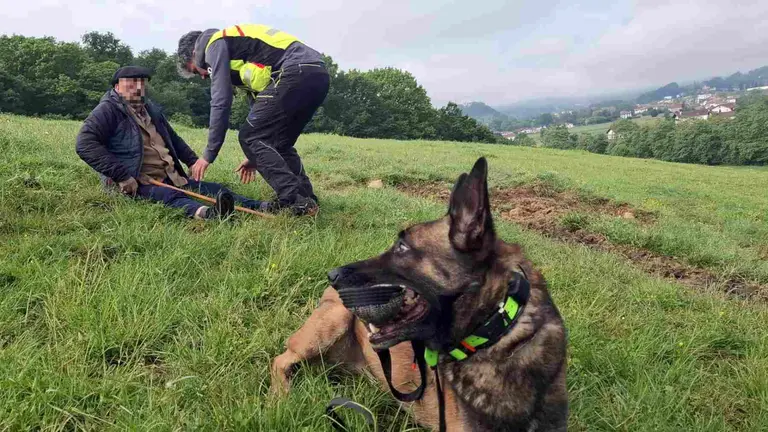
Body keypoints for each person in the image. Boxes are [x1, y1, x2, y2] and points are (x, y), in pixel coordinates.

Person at [176, 24, 329, 216]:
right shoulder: (235, 47)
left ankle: (293, 201)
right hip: (316, 73)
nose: (203, 76)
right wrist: (256, 155)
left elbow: (221, 100)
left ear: (194, 52)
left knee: (249, 137)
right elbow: (260, 103)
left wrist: (208, 154)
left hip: (294, 71)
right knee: (279, 143)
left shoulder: (213, 45)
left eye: (197, 71)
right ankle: (307, 200)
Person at [75, 65, 264, 220]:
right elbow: (84, 144)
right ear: (117, 87)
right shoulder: (107, 110)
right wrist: (122, 176)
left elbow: (172, 138)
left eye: (141, 82)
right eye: (131, 83)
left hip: (170, 176)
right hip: (139, 181)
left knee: (214, 189)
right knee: (171, 197)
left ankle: (262, 206)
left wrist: (192, 161)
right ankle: (210, 214)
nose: (137, 87)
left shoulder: (150, 108)